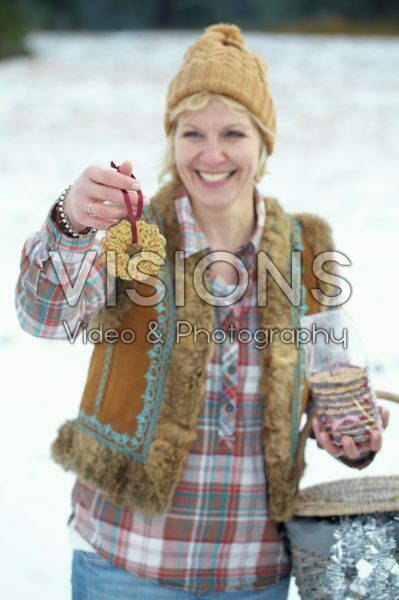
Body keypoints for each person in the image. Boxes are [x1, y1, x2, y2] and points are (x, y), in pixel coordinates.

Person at [15, 23, 389, 600]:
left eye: (233, 132)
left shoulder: (306, 250)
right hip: (124, 563)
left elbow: (323, 387)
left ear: (264, 144)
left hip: (256, 572)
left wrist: (342, 429)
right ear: (173, 141)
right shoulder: (133, 236)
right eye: (192, 132)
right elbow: (46, 316)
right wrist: (68, 223)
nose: (212, 154)